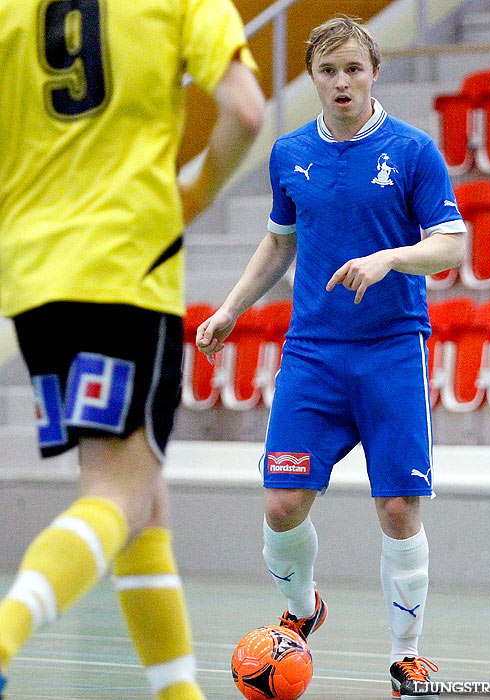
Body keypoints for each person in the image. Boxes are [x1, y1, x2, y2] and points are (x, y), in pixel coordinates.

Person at [0, 1, 264, 698]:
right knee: (117, 488)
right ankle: (3, 637)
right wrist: (198, 192)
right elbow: (245, 110)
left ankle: (180, 694)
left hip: (33, 277)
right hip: (126, 267)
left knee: (144, 499)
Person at [196, 15, 465, 700]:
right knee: (283, 504)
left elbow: (452, 245)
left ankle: (407, 656)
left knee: (400, 508)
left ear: (374, 71)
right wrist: (231, 308)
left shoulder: (412, 151)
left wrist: (388, 258)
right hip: (313, 353)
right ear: (312, 77)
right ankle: (304, 608)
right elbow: (279, 244)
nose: (342, 82)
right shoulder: (289, 153)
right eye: (328, 70)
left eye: (353, 68)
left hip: (391, 352)